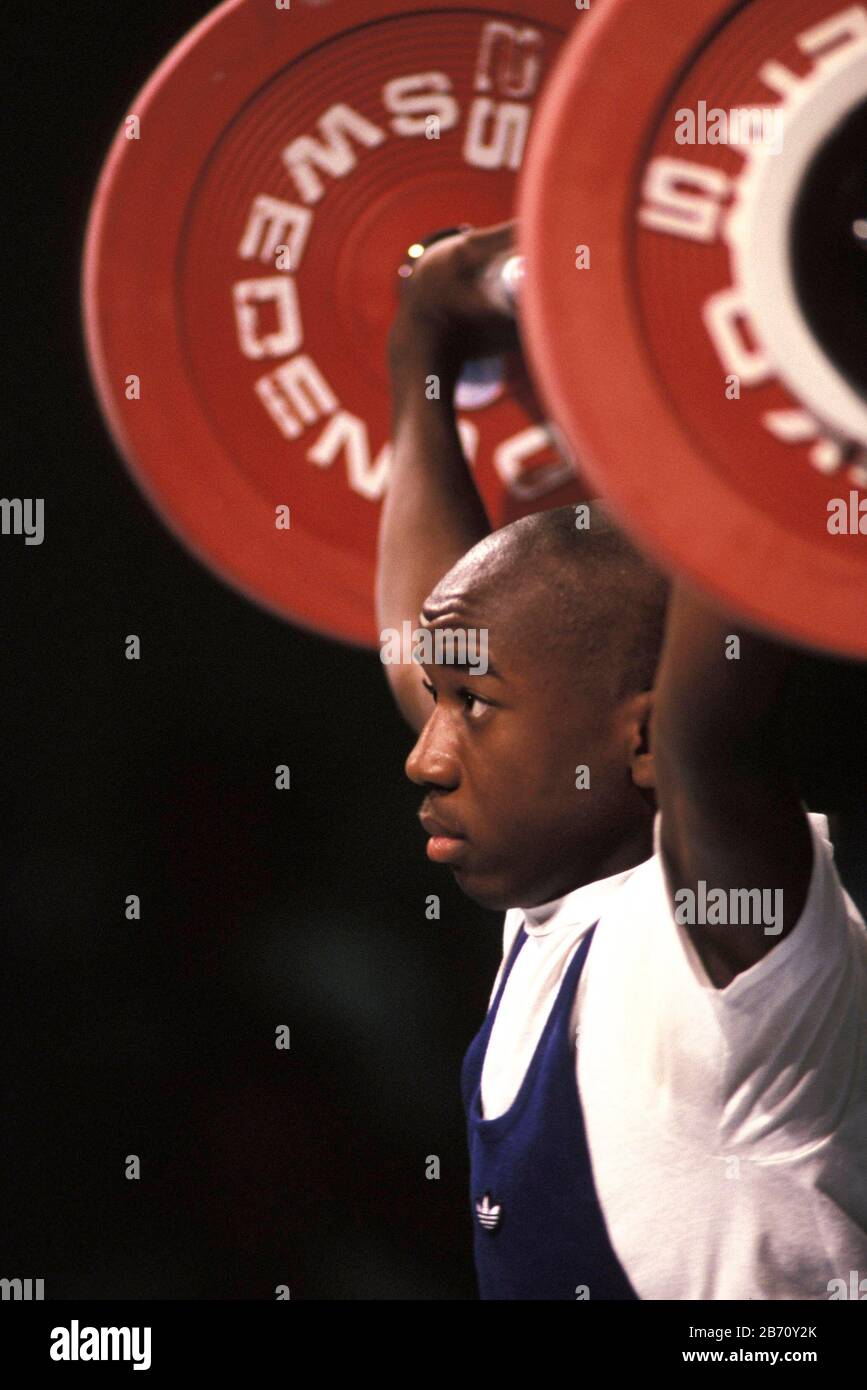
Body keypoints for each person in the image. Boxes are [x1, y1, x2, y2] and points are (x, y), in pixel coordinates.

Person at [376, 224, 867, 1301]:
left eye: (475, 708)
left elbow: (711, 717)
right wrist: (421, 345)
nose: (425, 755)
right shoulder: (563, 902)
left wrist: (777, 316)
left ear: (640, 738)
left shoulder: (717, 936)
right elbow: (428, 644)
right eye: (442, 703)